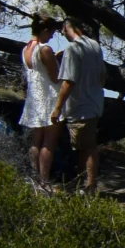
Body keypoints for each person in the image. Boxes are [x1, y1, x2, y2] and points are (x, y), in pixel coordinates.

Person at [50, 15, 110, 196]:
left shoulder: (73, 49)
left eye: (63, 30)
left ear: (68, 28)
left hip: (80, 105)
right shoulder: (95, 46)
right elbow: (103, 76)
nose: (62, 33)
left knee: (86, 147)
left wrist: (57, 107)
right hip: (94, 101)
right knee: (87, 145)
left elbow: (69, 81)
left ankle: (90, 186)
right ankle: (87, 184)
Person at [18, 13, 63, 189]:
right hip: (50, 96)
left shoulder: (26, 49)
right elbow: (54, 77)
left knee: (36, 140)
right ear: (44, 30)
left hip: (35, 97)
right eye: (51, 33)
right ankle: (45, 181)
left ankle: (35, 177)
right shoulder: (44, 49)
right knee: (49, 142)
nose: (52, 37)